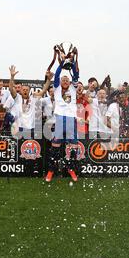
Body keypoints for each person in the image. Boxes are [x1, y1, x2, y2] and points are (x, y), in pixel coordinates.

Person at [45, 53, 80, 183]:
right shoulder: (57, 87)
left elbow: (76, 73)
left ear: (70, 82)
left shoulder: (73, 88)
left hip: (71, 118)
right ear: (60, 82)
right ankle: (51, 171)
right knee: (55, 146)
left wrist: (74, 59)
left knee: (73, 146)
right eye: (63, 80)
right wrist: (62, 62)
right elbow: (58, 73)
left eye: (67, 80)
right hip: (60, 118)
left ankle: (71, 169)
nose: (65, 81)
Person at [8, 67, 52, 139]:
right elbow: (10, 88)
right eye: (23, 89)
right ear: (21, 90)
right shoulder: (17, 98)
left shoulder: (33, 98)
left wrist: (49, 80)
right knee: (19, 147)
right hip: (19, 127)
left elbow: (43, 91)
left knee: (29, 147)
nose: (25, 91)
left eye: (27, 90)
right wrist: (12, 76)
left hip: (31, 127)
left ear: (29, 91)